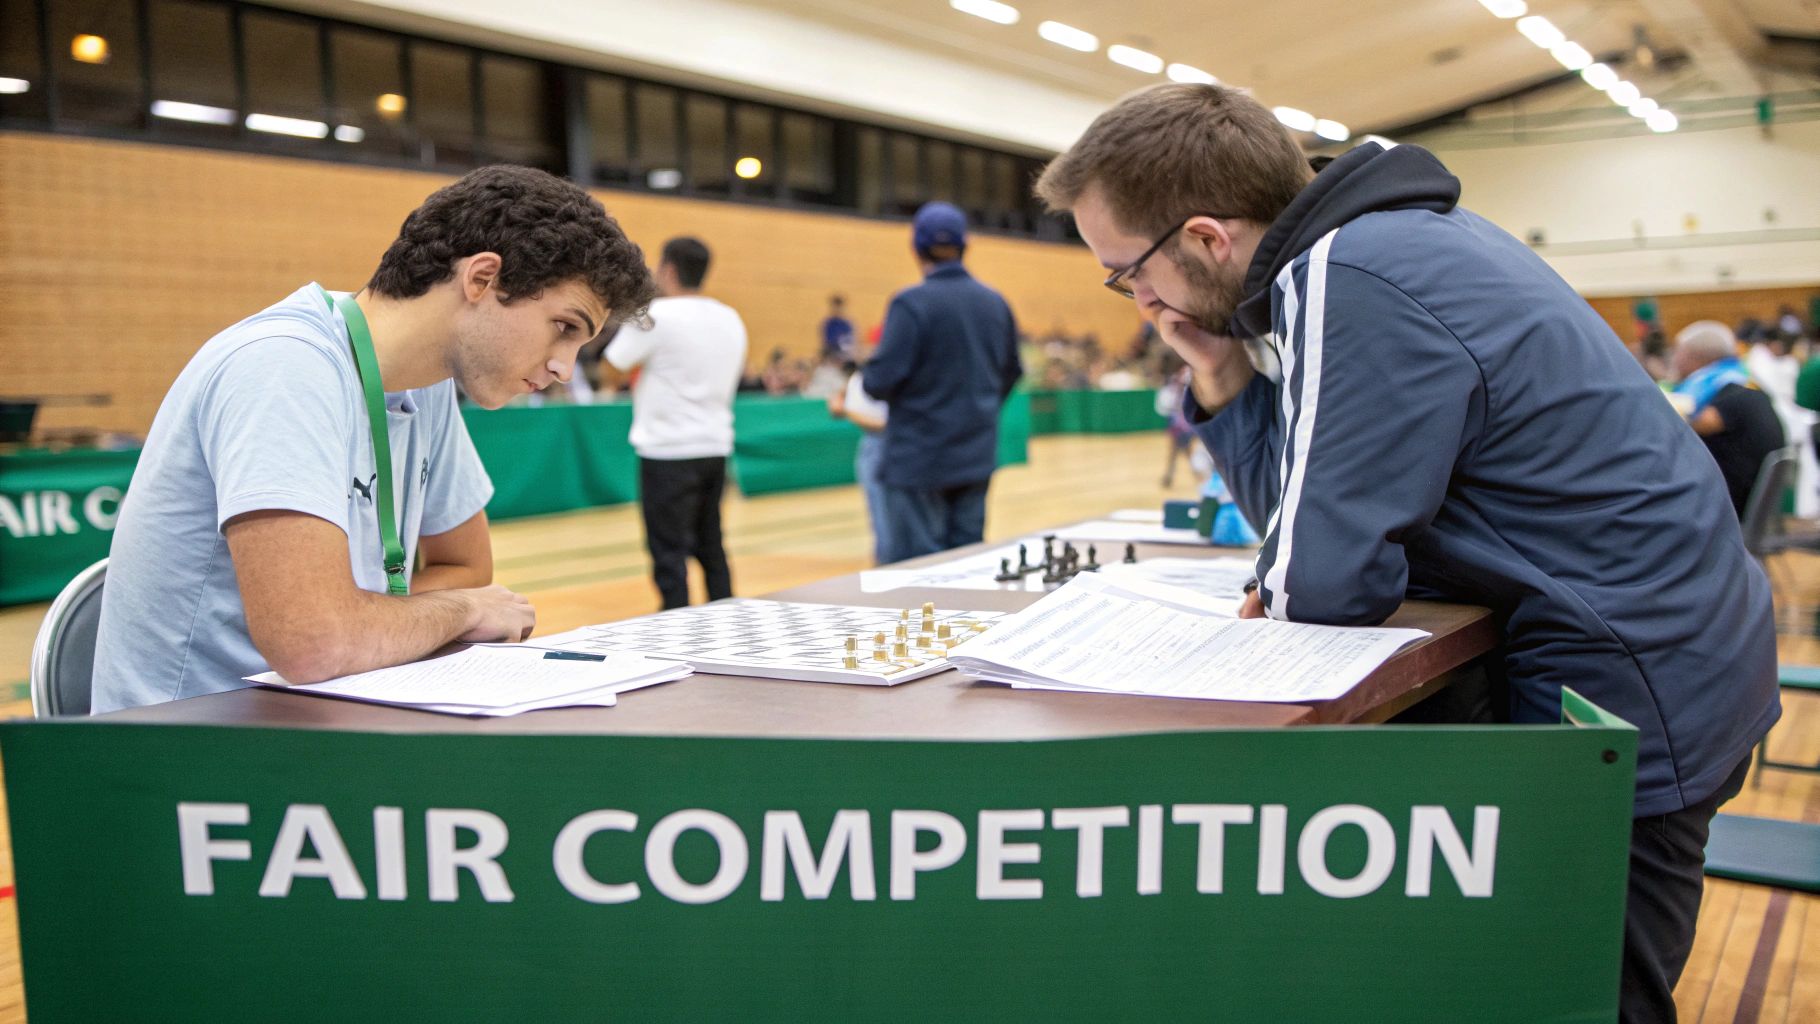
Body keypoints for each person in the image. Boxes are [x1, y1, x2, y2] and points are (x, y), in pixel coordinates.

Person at [1035, 82, 1778, 1023]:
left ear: (1206, 239)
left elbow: (1318, 582)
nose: (1136, 300)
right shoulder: (1386, 246)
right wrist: (1220, 373)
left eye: (1124, 271)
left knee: (1581, 1001)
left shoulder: (1350, 275)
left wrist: (1297, 572)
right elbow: (1307, 529)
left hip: (1634, 678)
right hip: (1663, 652)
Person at [91, 166, 655, 711]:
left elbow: (466, 565)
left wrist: (367, 622)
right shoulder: (284, 367)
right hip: (191, 755)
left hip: (323, 716)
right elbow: (314, 643)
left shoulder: (428, 385)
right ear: (482, 279)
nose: (563, 367)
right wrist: (453, 611)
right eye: (564, 327)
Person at [861, 201, 1022, 562]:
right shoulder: (995, 303)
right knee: (964, 569)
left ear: (916, 248)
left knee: (916, 575)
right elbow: (1012, 372)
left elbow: (879, 381)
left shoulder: (911, 304)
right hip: (975, 454)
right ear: (965, 246)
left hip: (917, 459)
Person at [605, 236, 748, 610]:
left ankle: (676, 626)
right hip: (714, 446)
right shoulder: (729, 316)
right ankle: (727, 616)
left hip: (667, 450)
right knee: (711, 544)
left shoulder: (657, 316)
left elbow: (613, 364)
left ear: (668, 269)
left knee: (668, 553)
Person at [1674, 321, 1786, 519]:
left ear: (1695, 356)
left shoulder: (1722, 398)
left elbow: (1678, 429)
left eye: (1678, 352)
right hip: (1751, 507)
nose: (1674, 360)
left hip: (1730, 510)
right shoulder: (1745, 387)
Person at [829, 340, 891, 565]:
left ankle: (888, 564)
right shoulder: (861, 378)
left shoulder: (880, 376)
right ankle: (885, 564)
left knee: (886, 518)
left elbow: (884, 423)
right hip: (876, 446)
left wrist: (848, 411)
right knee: (881, 516)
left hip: (885, 446)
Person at [820, 294, 855, 358]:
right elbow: (825, 342)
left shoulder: (847, 324)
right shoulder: (828, 323)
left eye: (838, 307)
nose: (836, 310)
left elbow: (849, 342)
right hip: (830, 352)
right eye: (834, 307)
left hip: (843, 352)